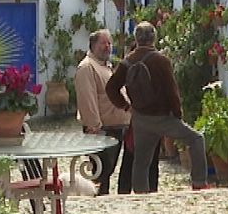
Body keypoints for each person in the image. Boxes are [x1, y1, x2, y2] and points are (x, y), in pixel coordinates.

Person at [106, 21, 208, 192]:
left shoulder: (127, 62)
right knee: (196, 139)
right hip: (162, 116)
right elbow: (171, 90)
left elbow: (111, 88)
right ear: (154, 38)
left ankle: (141, 194)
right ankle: (199, 182)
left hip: (140, 118)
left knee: (141, 161)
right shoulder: (161, 60)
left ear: (136, 39)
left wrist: (126, 107)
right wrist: (177, 114)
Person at [74, 29, 148, 195]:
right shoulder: (87, 67)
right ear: (93, 45)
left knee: (107, 171)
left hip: (116, 127)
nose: (107, 47)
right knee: (101, 173)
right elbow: (87, 98)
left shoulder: (103, 66)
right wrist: (94, 126)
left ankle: (103, 199)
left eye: (109, 43)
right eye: (103, 43)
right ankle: (99, 203)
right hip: (102, 129)